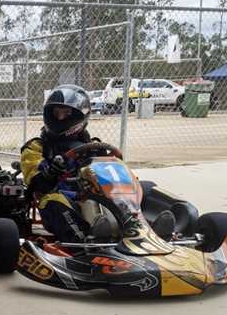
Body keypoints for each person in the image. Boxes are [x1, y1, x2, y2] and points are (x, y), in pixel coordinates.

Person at [20, 84, 174, 242]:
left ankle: (151, 229)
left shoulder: (95, 146)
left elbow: (112, 171)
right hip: (65, 197)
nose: (60, 118)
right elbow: (35, 183)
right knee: (53, 201)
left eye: (66, 113)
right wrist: (50, 172)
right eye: (56, 113)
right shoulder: (37, 147)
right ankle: (87, 238)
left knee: (146, 188)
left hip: (100, 196)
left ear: (81, 116)